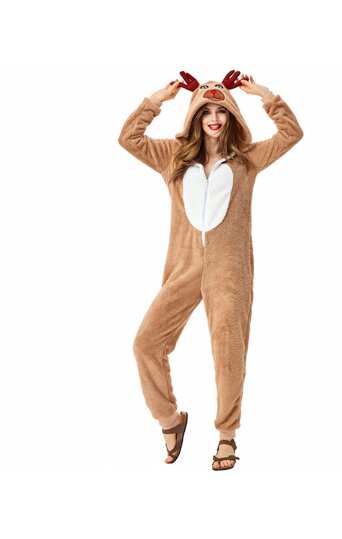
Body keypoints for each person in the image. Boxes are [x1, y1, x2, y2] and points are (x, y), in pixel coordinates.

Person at [118, 70, 304, 470]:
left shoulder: (246, 160)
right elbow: (129, 138)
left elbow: (291, 133)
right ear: (195, 117)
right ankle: (170, 419)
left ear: (231, 115)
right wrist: (157, 100)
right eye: (206, 112)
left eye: (221, 111)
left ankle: (226, 435)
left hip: (229, 271)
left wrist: (264, 94)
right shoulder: (173, 156)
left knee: (227, 352)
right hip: (184, 267)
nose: (214, 119)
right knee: (146, 343)